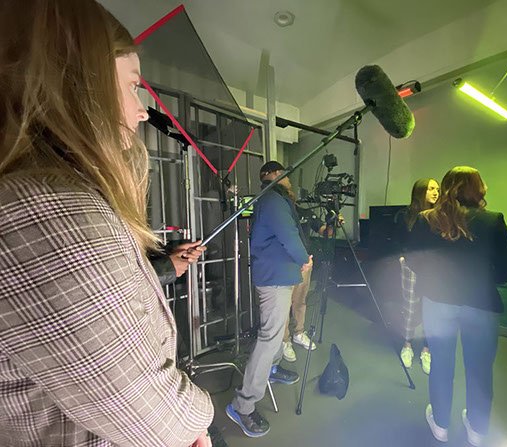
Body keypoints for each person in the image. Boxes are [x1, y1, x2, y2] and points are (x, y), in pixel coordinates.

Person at [0, 1, 213, 446]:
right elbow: (155, 415)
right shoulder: (46, 211)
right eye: (133, 86)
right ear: (79, 85)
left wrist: (165, 265)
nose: (142, 111)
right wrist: (201, 418)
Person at [406, 167, 507, 446]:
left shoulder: (426, 220)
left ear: (446, 187)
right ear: (477, 188)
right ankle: (477, 429)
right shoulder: (493, 221)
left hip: (437, 301)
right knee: (480, 369)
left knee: (441, 363)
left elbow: (413, 261)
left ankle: (440, 425)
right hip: (481, 303)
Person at [226, 161, 311, 437]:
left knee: (273, 335)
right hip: (275, 278)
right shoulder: (274, 200)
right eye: (283, 173)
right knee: (269, 338)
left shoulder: (272, 199)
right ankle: (242, 405)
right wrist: (304, 259)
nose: (288, 177)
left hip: (279, 276)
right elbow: (289, 235)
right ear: (272, 176)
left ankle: (272, 369)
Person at [281, 196, 344, 363]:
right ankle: (284, 340)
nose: (290, 195)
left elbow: (325, 232)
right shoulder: (280, 213)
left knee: (300, 300)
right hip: (285, 263)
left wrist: (333, 223)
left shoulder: (306, 213)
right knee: (284, 304)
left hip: (305, 262)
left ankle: (298, 333)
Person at [393, 178, 439, 374]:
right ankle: (407, 346)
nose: (436, 192)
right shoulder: (405, 215)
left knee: (431, 309)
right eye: (431, 189)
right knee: (410, 307)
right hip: (411, 267)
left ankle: (426, 350)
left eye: (437, 189)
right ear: (421, 191)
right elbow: (396, 239)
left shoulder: (440, 215)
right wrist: (401, 258)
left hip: (433, 269)